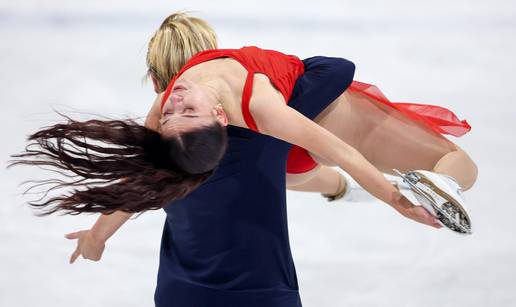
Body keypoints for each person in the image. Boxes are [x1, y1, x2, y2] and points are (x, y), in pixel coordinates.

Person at [10, 12, 478, 307]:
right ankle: (372, 187)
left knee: (281, 168)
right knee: (454, 164)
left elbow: (143, 185)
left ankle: (344, 189)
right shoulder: (224, 112)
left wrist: (97, 236)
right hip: (300, 127)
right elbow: (338, 150)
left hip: (197, 280)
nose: (176, 100)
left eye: (176, 101)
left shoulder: (186, 122)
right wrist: (392, 196)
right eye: (177, 104)